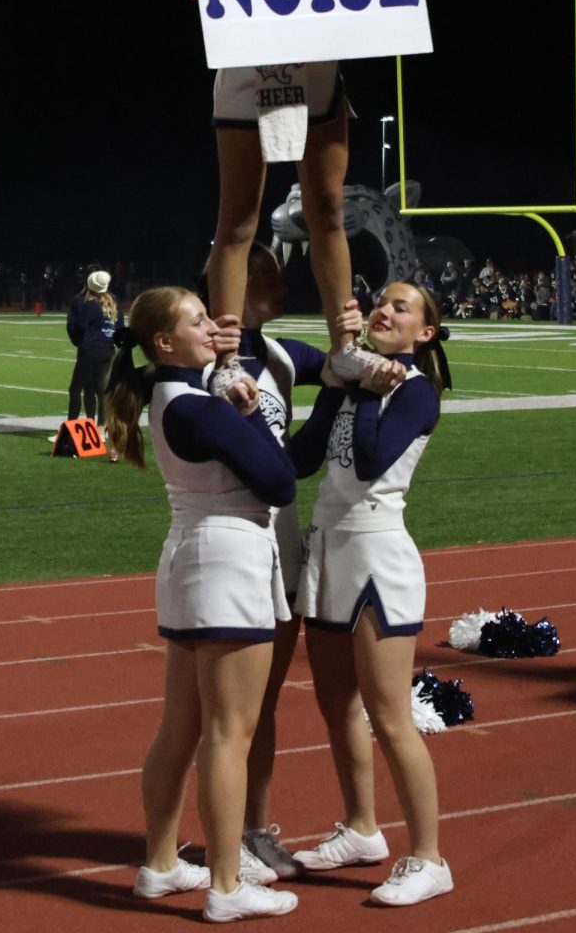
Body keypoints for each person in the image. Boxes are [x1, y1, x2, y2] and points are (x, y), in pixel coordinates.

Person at [181, 0, 439, 385]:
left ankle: (344, 343)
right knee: (238, 221)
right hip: (247, 71)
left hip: (316, 74)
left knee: (326, 207)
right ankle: (225, 357)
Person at [104, 287, 300, 922]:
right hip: (228, 562)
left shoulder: (172, 396)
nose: (212, 327)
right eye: (197, 320)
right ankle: (225, 884)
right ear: (165, 343)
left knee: (181, 727)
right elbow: (278, 479)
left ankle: (160, 864)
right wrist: (249, 409)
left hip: (191, 557)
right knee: (228, 734)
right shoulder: (197, 406)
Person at [287, 281, 454, 907]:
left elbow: (367, 461)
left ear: (424, 333)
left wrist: (363, 392)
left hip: (378, 559)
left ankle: (430, 858)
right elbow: (303, 460)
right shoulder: (361, 381)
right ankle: (361, 828)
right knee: (337, 707)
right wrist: (339, 383)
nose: (384, 310)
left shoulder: (415, 393)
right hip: (327, 553)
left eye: (401, 307)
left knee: (389, 716)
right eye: (381, 301)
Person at [217, 243, 327, 879]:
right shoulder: (207, 360)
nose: (283, 283)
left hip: (279, 545)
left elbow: (296, 459)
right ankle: (207, 842)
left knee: (265, 705)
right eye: (268, 274)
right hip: (231, 547)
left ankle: (253, 831)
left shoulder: (280, 354)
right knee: (223, 713)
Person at [65, 270, 124, 433]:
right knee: (101, 390)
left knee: (75, 389)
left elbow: (80, 326)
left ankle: (71, 428)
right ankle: (100, 428)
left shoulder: (90, 304)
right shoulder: (114, 303)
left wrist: (80, 342)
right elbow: (120, 329)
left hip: (91, 350)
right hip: (108, 350)